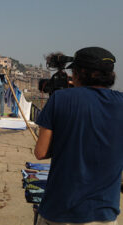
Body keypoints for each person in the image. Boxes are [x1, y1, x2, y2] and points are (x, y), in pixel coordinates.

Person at [34, 47, 123, 225]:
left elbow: (41, 152)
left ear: (80, 73)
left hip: (60, 210)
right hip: (104, 212)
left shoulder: (60, 99)